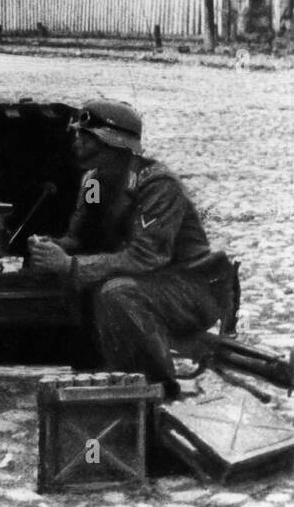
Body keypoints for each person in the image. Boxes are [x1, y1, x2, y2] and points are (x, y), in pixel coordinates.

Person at [29, 99, 230, 398]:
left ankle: (156, 388)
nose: (76, 141)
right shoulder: (94, 182)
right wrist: (53, 248)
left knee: (116, 292)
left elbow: (146, 256)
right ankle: (98, 371)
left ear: (110, 143)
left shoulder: (157, 185)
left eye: (85, 136)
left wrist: (69, 265)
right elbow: (80, 237)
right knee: (82, 284)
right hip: (145, 281)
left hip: (188, 287)